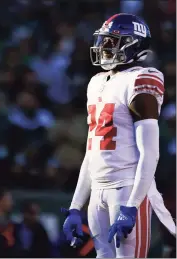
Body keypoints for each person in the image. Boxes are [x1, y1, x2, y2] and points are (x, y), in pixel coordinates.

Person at [62, 13, 176, 258]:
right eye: (103, 41)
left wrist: (132, 205)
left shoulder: (141, 78)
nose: (103, 47)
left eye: (111, 41)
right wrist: (74, 206)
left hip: (126, 188)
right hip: (98, 192)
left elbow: (150, 153)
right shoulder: (96, 82)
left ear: (132, 43)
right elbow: (92, 153)